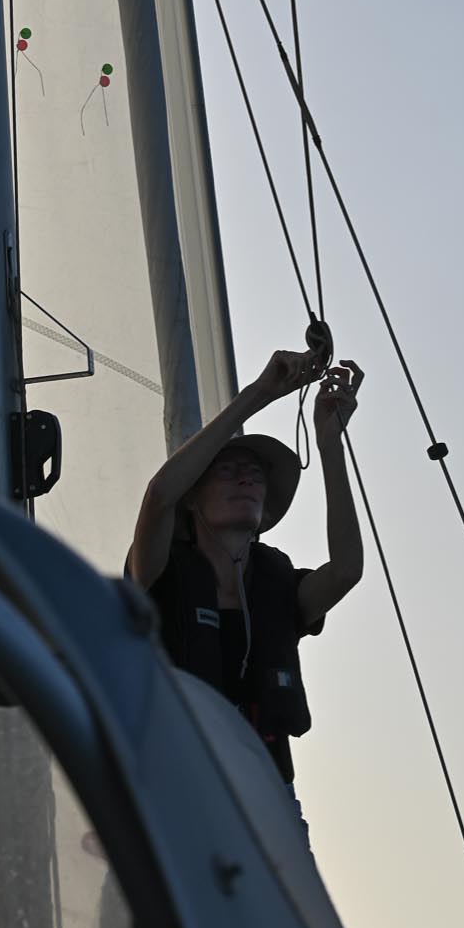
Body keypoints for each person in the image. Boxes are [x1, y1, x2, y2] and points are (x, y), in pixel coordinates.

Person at [126, 330, 368, 794]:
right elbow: (159, 497)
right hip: (171, 796)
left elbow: (346, 571)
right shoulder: (162, 572)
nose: (247, 479)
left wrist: (330, 441)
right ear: (193, 499)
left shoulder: (276, 583)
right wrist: (260, 393)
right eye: (229, 471)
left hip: (266, 801)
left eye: (256, 475)